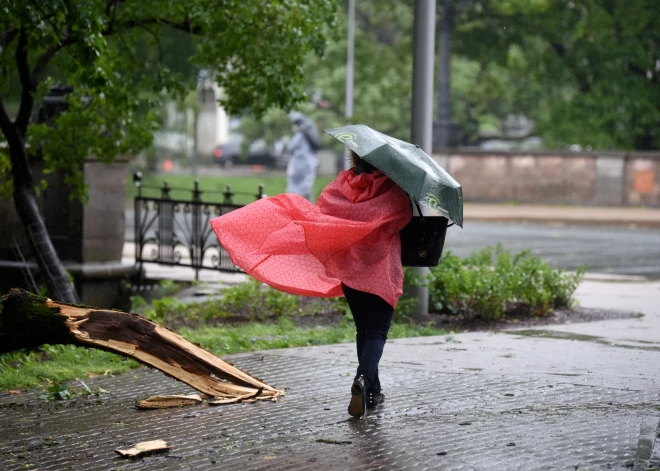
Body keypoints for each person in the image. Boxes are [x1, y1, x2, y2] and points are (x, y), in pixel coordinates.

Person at [210, 149, 412, 418]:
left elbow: (323, 214)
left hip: (350, 273)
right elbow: (404, 218)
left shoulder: (341, 186)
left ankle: (372, 391)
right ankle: (363, 379)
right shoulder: (393, 191)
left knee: (363, 330)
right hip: (381, 272)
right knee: (377, 331)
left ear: (355, 157)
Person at [285, 112, 320, 201]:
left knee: (294, 189)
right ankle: (310, 207)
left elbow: (290, 147)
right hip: (309, 164)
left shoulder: (300, 136)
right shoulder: (309, 138)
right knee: (307, 187)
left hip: (298, 166)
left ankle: (292, 208)